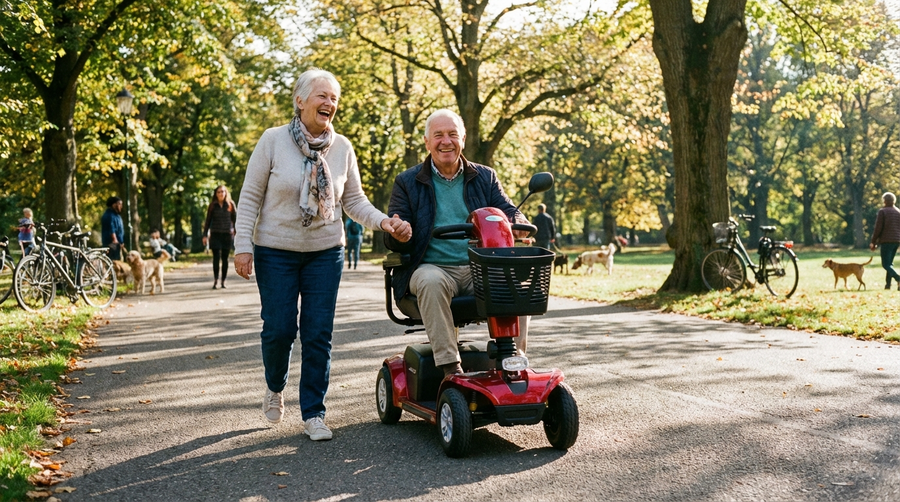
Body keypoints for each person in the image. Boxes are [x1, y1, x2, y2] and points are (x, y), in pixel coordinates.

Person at [232, 68, 411, 441]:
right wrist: (243, 246)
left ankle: (314, 412)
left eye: (334, 98)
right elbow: (249, 196)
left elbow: (354, 201)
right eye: (322, 96)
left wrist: (384, 222)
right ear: (300, 101)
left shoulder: (342, 147)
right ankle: (275, 385)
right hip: (275, 251)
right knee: (280, 330)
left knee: (318, 334)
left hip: (324, 253)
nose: (329, 103)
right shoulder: (272, 141)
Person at [384, 108, 529, 377]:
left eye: (452, 134)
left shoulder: (484, 176)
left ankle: (513, 360)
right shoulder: (406, 181)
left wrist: (517, 221)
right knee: (430, 280)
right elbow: (395, 229)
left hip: (479, 267)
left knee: (513, 281)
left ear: (462, 138)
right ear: (427, 143)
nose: (446, 141)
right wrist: (398, 232)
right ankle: (450, 368)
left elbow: (508, 209)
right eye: (438, 135)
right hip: (432, 267)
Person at [202, 185, 236, 289]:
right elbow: (208, 221)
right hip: (215, 234)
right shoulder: (213, 205)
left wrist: (237, 232)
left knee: (225, 258)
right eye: (219, 192)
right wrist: (204, 235)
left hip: (227, 234)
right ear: (216, 194)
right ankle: (216, 280)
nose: (221, 194)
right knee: (216, 258)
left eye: (223, 191)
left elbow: (235, 220)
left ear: (226, 193)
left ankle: (223, 281)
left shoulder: (230, 204)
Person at [869, 191, 900, 290]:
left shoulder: (883, 211)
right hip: (896, 241)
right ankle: (888, 285)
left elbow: (878, 228)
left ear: (885, 201)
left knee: (885, 264)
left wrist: (873, 241)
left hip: (886, 240)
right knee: (889, 263)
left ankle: (898, 278)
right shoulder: (898, 212)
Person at [101, 197, 125, 261]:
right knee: (114, 261)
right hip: (112, 244)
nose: (121, 206)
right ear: (114, 205)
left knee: (118, 261)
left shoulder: (117, 215)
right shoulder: (109, 215)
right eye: (119, 204)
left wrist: (121, 242)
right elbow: (111, 229)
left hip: (117, 244)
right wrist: (115, 240)